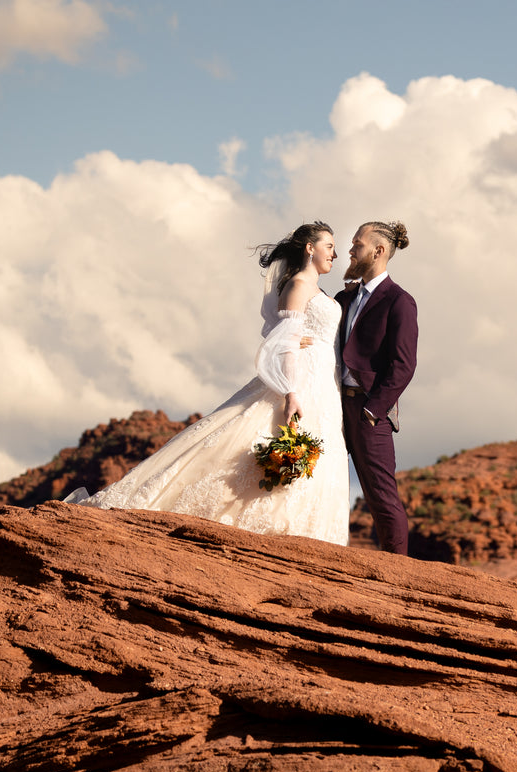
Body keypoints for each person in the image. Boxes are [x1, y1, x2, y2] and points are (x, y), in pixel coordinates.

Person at [67, 221, 351, 545]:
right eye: (329, 246)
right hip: (302, 382)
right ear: (309, 248)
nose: (335, 253)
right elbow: (284, 344)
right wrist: (291, 392)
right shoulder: (299, 285)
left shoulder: (318, 290)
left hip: (324, 385)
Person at [336, 221, 417, 554]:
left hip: (370, 413)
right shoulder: (345, 296)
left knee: (381, 497)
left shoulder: (399, 301)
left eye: (357, 244)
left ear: (378, 251)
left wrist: (372, 411)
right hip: (335, 407)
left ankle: (398, 574)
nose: (351, 250)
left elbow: (403, 365)